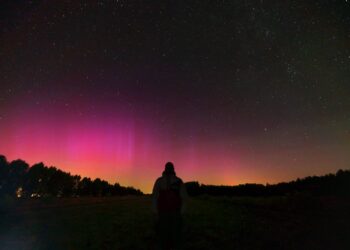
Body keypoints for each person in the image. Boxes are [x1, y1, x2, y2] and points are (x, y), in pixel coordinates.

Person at [152, 162, 187, 250]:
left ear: (173, 169)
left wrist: (182, 212)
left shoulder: (178, 181)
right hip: (162, 212)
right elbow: (155, 196)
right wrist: (155, 212)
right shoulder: (159, 181)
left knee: (175, 235)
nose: (169, 169)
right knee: (163, 235)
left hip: (175, 212)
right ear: (165, 168)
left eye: (170, 167)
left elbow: (184, 197)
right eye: (168, 167)